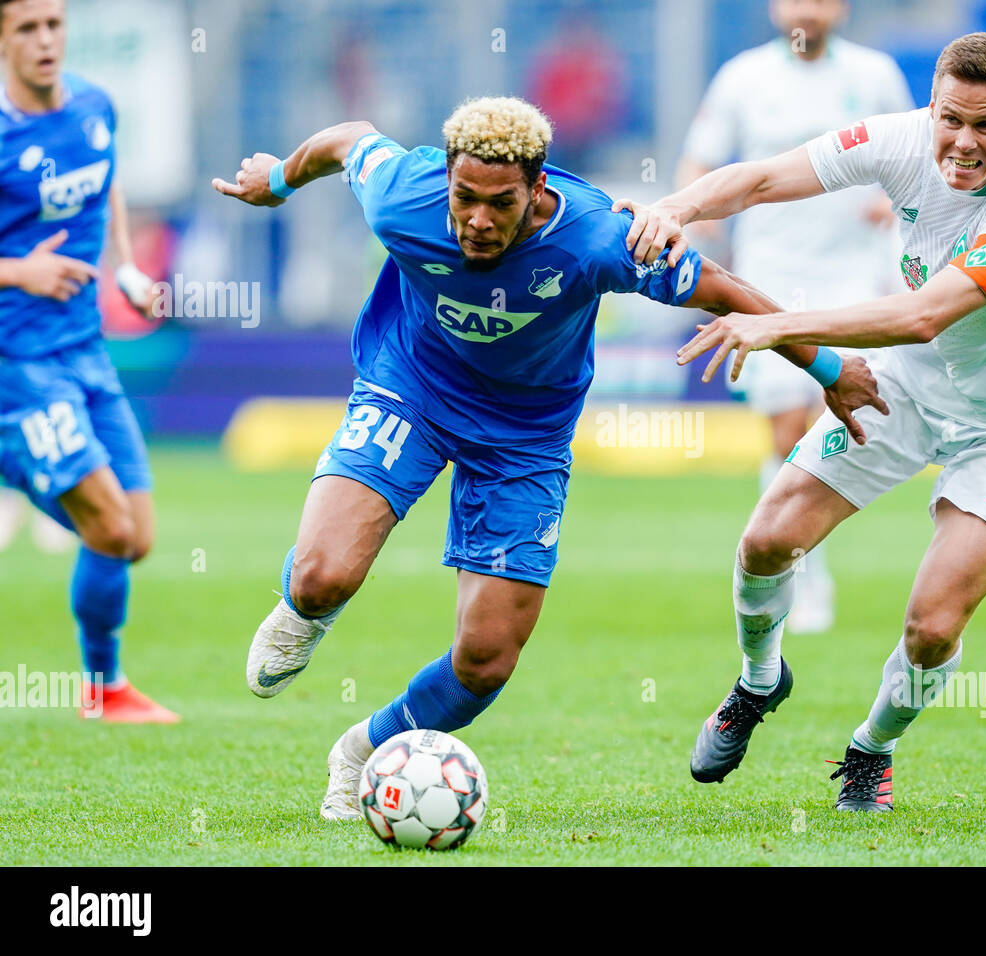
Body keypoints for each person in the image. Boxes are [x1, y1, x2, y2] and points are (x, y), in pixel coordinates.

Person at [212, 96, 885, 819]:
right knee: (321, 577)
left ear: (537, 192)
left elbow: (724, 289)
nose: (475, 220)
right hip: (409, 390)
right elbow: (347, 139)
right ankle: (302, 610)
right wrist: (277, 180)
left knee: (486, 659)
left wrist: (827, 370)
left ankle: (365, 749)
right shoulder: (402, 194)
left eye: (498, 204)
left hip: (523, 437)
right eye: (463, 198)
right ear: (445, 180)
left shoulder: (597, 239)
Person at [620, 32, 986, 811]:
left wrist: (778, 326)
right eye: (950, 119)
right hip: (908, 386)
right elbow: (767, 176)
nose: (963, 143)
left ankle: (872, 748)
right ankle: (759, 680)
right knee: (768, 538)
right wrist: (677, 206)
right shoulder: (899, 138)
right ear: (930, 106)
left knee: (933, 627)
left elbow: (926, 313)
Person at [677, 0, 912, 632]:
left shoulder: (876, 75)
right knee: (786, 431)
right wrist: (690, 225)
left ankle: (800, 560)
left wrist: (898, 206)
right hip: (770, 277)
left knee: (831, 416)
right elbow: (700, 161)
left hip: (853, 275)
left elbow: (916, 159)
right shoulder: (742, 78)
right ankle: (794, 571)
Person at [0, 0, 176, 722]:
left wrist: (126, 269)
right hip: (18, 365)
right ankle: (104, 690)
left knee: (135, 537)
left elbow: (108, 182)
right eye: (27, 29)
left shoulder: (95, 105)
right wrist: (18, 273)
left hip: (84, 354)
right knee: (107, 527)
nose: (46, 41)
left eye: (54, 24)